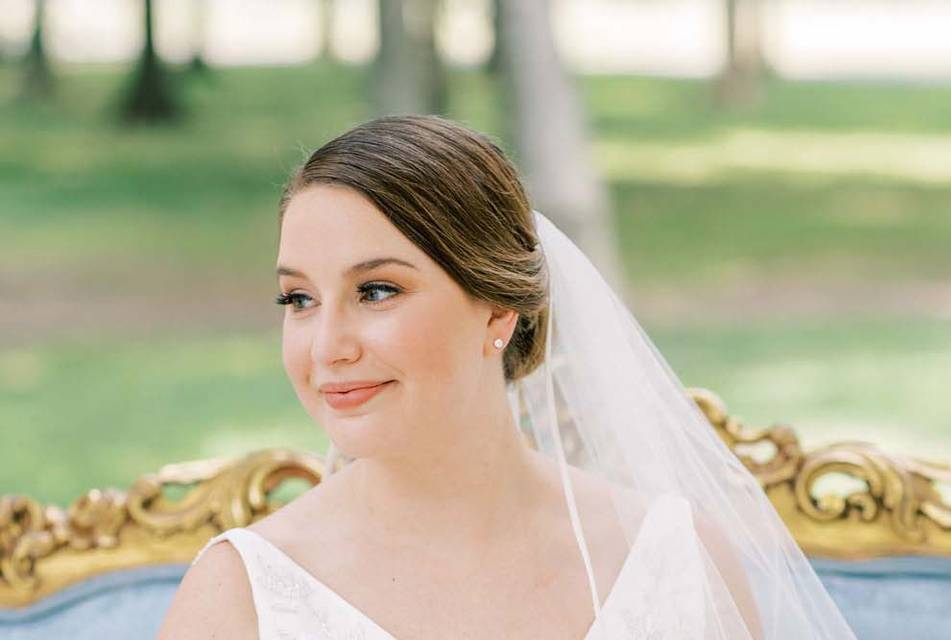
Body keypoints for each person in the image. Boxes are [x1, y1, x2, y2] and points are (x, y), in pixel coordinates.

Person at [158, 115, 855, 639]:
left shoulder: (676, 559)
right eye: (299, 300)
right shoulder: (242, 596)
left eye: (375, 292)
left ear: (498, 309)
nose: (327, 348)